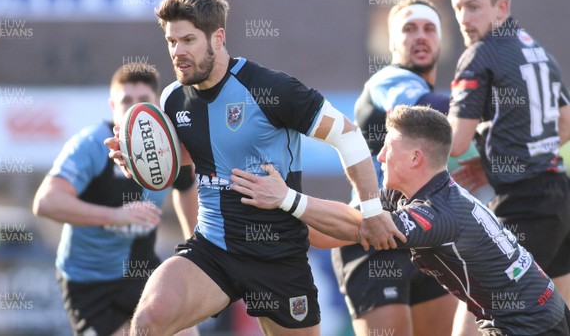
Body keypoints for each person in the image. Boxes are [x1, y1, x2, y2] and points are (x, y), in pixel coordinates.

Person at [104, 0, 402, 336]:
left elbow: (348, 136)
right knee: (149, 321)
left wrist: (370, 210)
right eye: (171, 42)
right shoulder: (171, 100)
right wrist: (139, 161)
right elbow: (188, 158)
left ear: (217, 37)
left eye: (188, 41)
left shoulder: (271, 89)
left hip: (277, 256)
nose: (177, 52)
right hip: (212, 250)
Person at [231, 105, 570, 336]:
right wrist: (274, 211)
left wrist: (286, 198)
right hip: (528, 315)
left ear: (415, 158)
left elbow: (360, 227)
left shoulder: (440, 212)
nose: (379, 156)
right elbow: (332, 232)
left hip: (532, 326)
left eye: (388, 148)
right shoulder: (405, 195)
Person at [446, 0, 570, 332]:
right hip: (559, 196)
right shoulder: (538, 50)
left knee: (479, 291)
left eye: (473, 6)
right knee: (559, 304)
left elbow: (455, 143)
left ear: (502, 8)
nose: (464, 18)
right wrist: (500, 160)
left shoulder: (481, 52)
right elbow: (565, 124)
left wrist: (408, 134)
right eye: (457, 8)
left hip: (524, 202)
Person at [33, 63, 199, 336]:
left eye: (143, 100)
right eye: (126, 101)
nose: (134, 108)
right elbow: (46, 202)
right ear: (112, 105)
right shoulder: (90, 145)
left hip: (142, 271)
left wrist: (194, 247)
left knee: (186, 333)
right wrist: (115, 215)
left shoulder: (166, 145)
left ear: (156, 103)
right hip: (89, 282)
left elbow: (186, 187)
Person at [331, 0, 456, 336]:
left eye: (430, 28)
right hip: (375, 234)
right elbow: (426, 110)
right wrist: (487, 97)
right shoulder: (390, 80)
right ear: (391, 42)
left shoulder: (451, 107)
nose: (420, 36)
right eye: (409, 28)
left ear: (441, 39)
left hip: (427, 234)